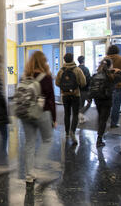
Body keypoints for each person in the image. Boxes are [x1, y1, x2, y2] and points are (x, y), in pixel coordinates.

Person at [21, 51, 56, 184]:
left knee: (29, 143)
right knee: (47, 140)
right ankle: (38, 164)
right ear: (44, 62)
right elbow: (51, 99)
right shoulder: (46, 77)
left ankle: (29, 174)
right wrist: (54, 118)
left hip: (25, 112)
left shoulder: (24, 77)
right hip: (42, 112)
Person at [56, 53, 86, 144]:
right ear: (72, 59)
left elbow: (57, 83)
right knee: (75, 114)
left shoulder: (61, 71)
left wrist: (64, 88)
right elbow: (83, 82)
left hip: (65, 95)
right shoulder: (77, 70)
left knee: (67, 113)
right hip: (75, 95)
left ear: (64, 60)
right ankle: (73, 131)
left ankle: (66, 133)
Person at [93, 58, 121, 147]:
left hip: (97, 99)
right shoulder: (111, 76)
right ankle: (99, 139)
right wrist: (118, 70)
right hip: (106, 100)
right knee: (103, 119)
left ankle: (100, 134)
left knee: (100, 117)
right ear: (110, 66)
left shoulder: (96, 75)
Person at [106, 45, 121, 128]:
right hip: (117, 85)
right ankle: (114, 123)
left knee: (107, 104)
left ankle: (104, 120)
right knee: (116, 105)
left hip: (107, 85)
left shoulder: (105, 59)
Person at [77, 56, 92, 123]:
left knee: (80, 104)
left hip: (77, 90)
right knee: (89, 102)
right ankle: (81, 115)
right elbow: (89, 80)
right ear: (83, 60)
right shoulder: (86, 69)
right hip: (85, 89)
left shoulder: (76, 69)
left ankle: (80, 117)